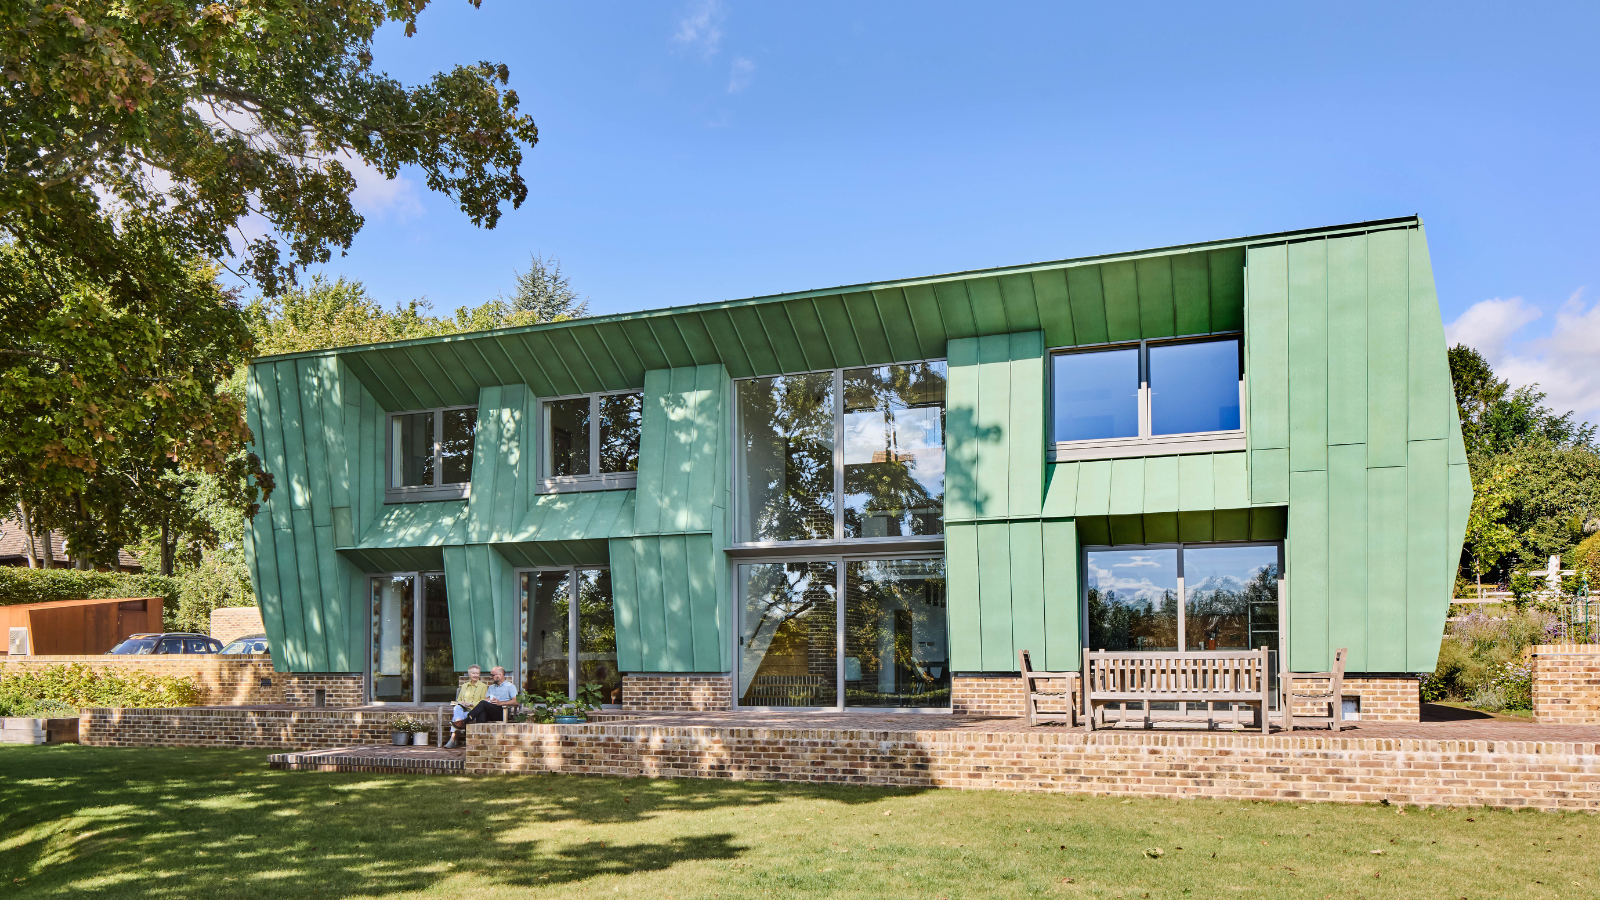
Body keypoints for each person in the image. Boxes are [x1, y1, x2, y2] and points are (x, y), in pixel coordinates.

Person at [458, 666, 517, 733]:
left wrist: (500, 703)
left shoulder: (510, 686)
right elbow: (486, 699)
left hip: (502, 711)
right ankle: (479, 736)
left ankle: (466, 721)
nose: (491, 677)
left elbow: (516, 701)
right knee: (481, 712)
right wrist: (488, 700)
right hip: (491, 711)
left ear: (500, 675)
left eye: (492, 675)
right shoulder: (491, 687)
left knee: (482, 703)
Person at [443, 665, 488, 748]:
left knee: (455, 717)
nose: (475, 675)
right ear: (469, 674)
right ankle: (459, 722)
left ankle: (453, 738)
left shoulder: (483, 686)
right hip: (463, 710)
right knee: (457, 707)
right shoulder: (464, 686)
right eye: (473, 673)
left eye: (477, 673)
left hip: (473, 712)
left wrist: (471, 704)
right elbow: (459, 699)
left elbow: (483, 702)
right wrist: (462, 703)